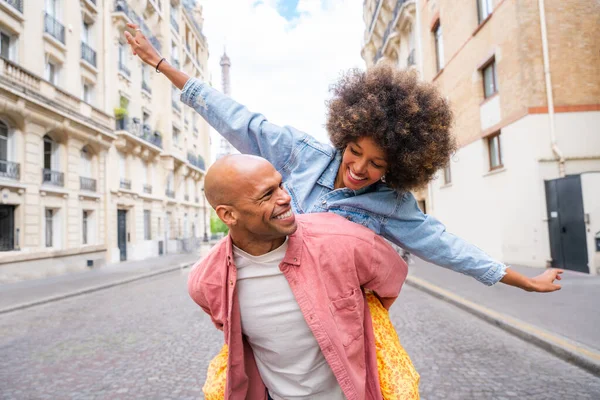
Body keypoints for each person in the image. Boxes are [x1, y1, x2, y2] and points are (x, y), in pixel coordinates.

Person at [124, 24, 562, 294]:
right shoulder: (301, 153)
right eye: (355, 151)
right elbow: (238, 119)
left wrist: (523, 280)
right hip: (267, 300)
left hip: (333, 314)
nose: (359, 169)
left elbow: (449, 248)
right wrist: (161, 63)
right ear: (344, 135)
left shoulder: (391, 205)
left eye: (377, 164)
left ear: (398, 166)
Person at [189, 154, 408, 399]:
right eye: (267, 195)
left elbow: (391, 279)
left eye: (280, 185)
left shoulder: (346, 239)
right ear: (228, 215)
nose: (285, 198)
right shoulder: (206, 281)